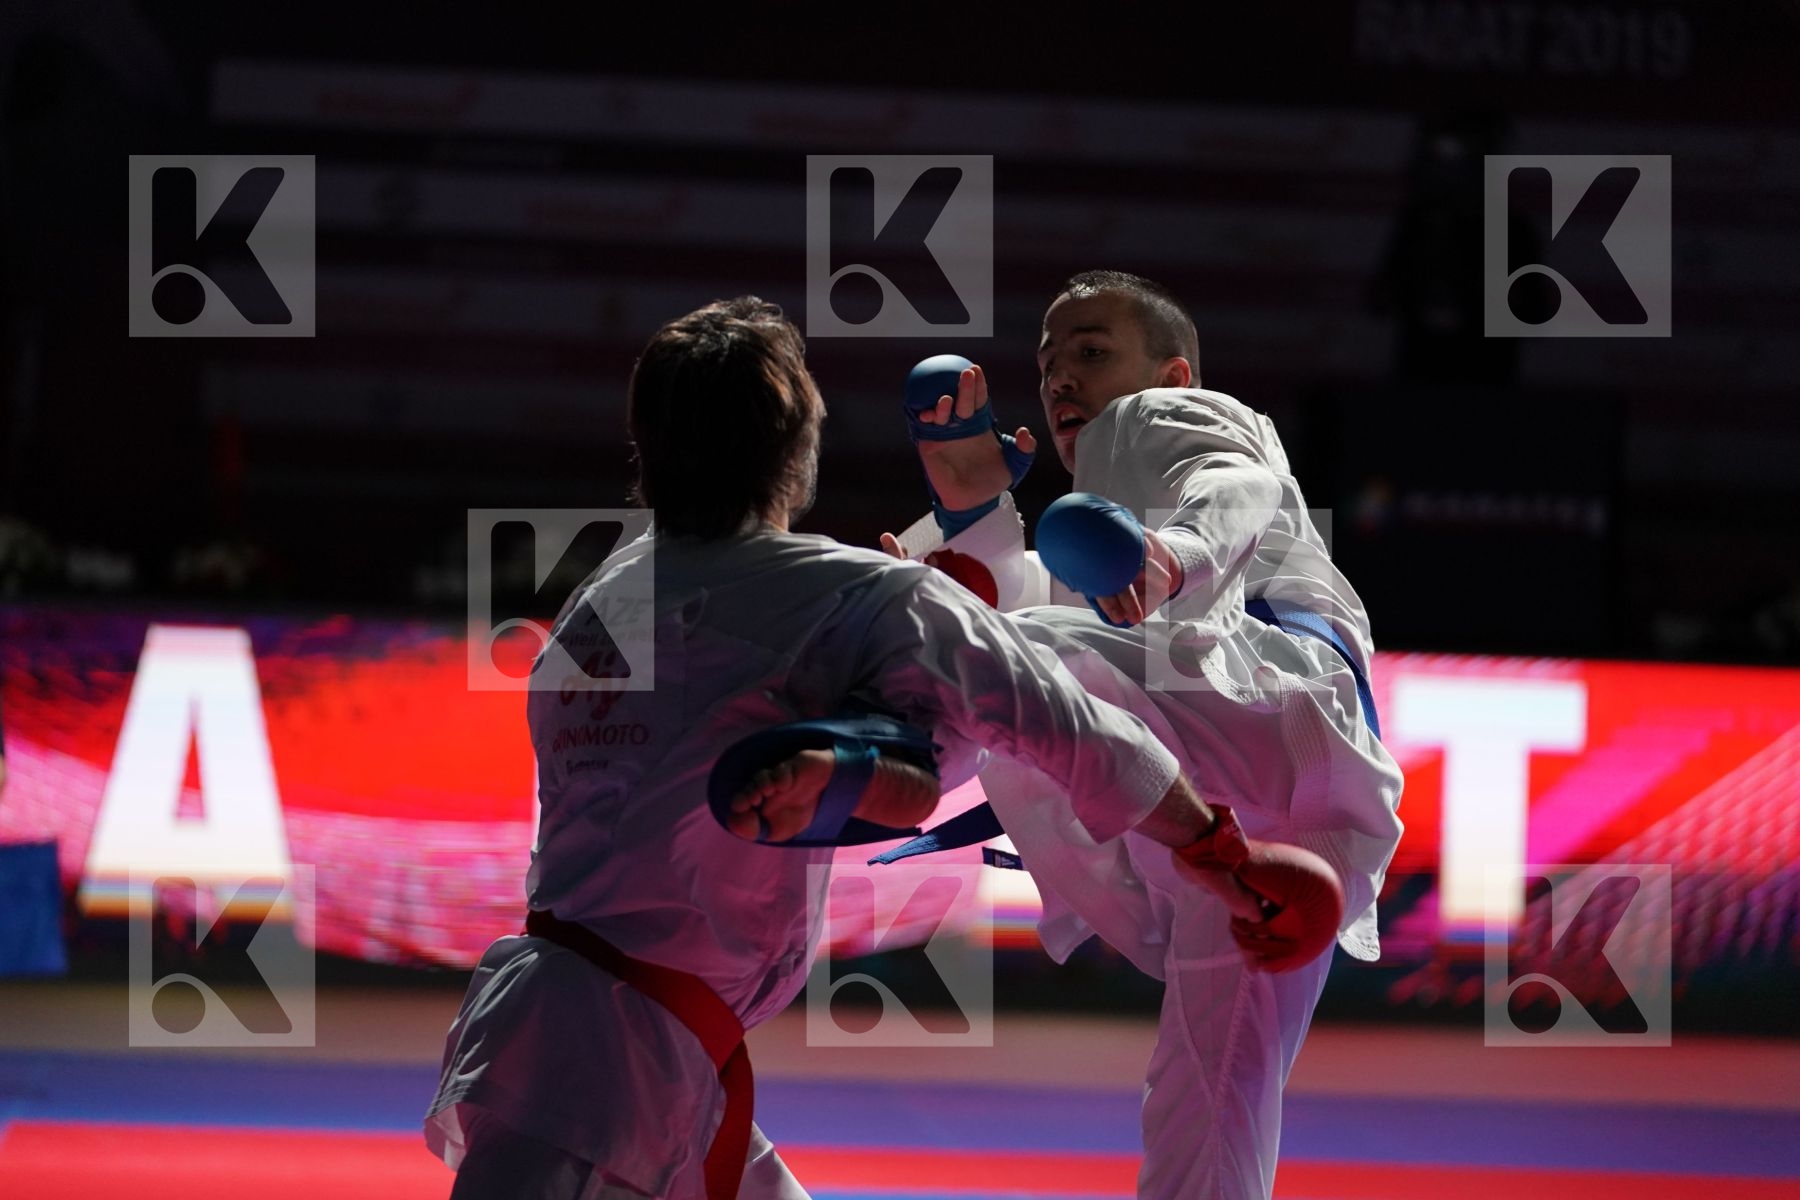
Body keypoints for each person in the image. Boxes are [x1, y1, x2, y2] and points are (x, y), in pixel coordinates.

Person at [422, 296, 1334, 1200]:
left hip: (589, 1041)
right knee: (964, 701)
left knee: (925, 712)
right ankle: (889, 750)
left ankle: (888, 750)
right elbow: (1072, 728)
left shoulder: (594, 613)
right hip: (610, 1088)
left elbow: (709, 699)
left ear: (647, 450)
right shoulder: (852, 595)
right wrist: (1221, 850)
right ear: (797, 448)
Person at [878, 270, 1405, 1199]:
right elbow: (1050, 613)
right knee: (1206, 1094)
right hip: (1269, 822)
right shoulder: (1103, 533)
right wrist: (963, 543)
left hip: (1271, 707)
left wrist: (1175, 556)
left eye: (1091, 353)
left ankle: (871, 766)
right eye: (1048, 367)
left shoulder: (1163, 424)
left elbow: (1232, 488)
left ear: (1172, 373)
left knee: (1010, 656)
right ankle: (887, 734)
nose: (1063, 381)